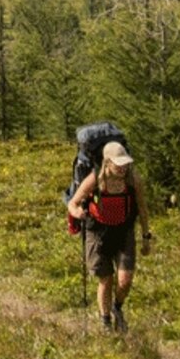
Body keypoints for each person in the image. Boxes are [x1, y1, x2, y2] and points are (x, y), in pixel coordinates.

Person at [64, 139, 150, 332]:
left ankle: (117, 307)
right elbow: (73, 203)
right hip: (97, 232)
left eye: (125, 163)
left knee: (124, 280)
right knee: (106, 279)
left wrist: (146, 236)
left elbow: (143, 209)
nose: (123, 167)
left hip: (124, 231)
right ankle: (105, 322)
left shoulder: (133, 179)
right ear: (107, 162)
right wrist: (77, 213)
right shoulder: (94, 179)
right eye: (119, 164)